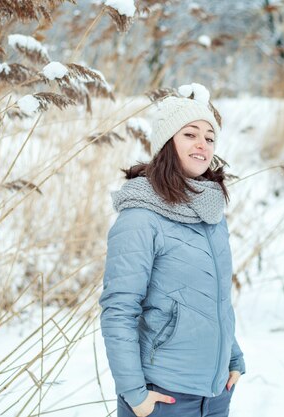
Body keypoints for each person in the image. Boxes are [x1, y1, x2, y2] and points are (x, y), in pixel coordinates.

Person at [98, 89, 246, 417]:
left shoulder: (211, 212)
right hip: (164, 398)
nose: (202, 145)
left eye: (209, 138)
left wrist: (233, 359)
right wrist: (135, 394)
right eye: (190, 134)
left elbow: (215, 299)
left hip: (216, 394)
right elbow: (118, 310)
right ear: (166, 143)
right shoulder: (140, 217)